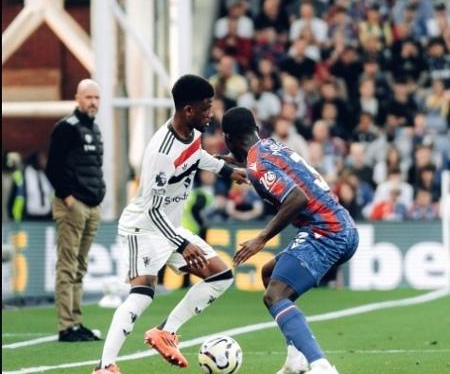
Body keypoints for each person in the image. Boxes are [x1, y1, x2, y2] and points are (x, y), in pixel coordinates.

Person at [92, 75, 247, 374]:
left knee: (221, 276)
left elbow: (195, 156)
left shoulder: (191, 133)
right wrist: (183, 244)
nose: (210, 114)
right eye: (206, 108)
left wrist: (229, 171)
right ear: (188, 110)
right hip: (143, 227)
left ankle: (166, 332)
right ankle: (105, 366)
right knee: (142, 294)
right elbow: (151, 209)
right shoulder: (161, 153)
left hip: (170, 228)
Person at [221, 107, 359, 374]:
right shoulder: (271, 146)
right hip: (343, 226)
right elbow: (250, 163)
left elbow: (296, 198)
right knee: (269, 273)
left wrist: (261, 238)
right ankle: (295, 360)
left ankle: (321, 366)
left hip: (326, 232)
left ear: (229, 138)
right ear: (255, 129)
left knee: (275, 295)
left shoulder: (257, 165)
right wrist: (219, 161)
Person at [46, 79, 105, 342]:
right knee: (68, 266)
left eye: (96, 97)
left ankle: (76, 322)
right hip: (73, 206)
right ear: (77, 98)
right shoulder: (66, 128)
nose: (93, 102)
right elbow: (53, 168)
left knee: (79, 267)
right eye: (88, 97)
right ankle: (65, 325)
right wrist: (69, 198)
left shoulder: (94, 130)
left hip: (91, 206)